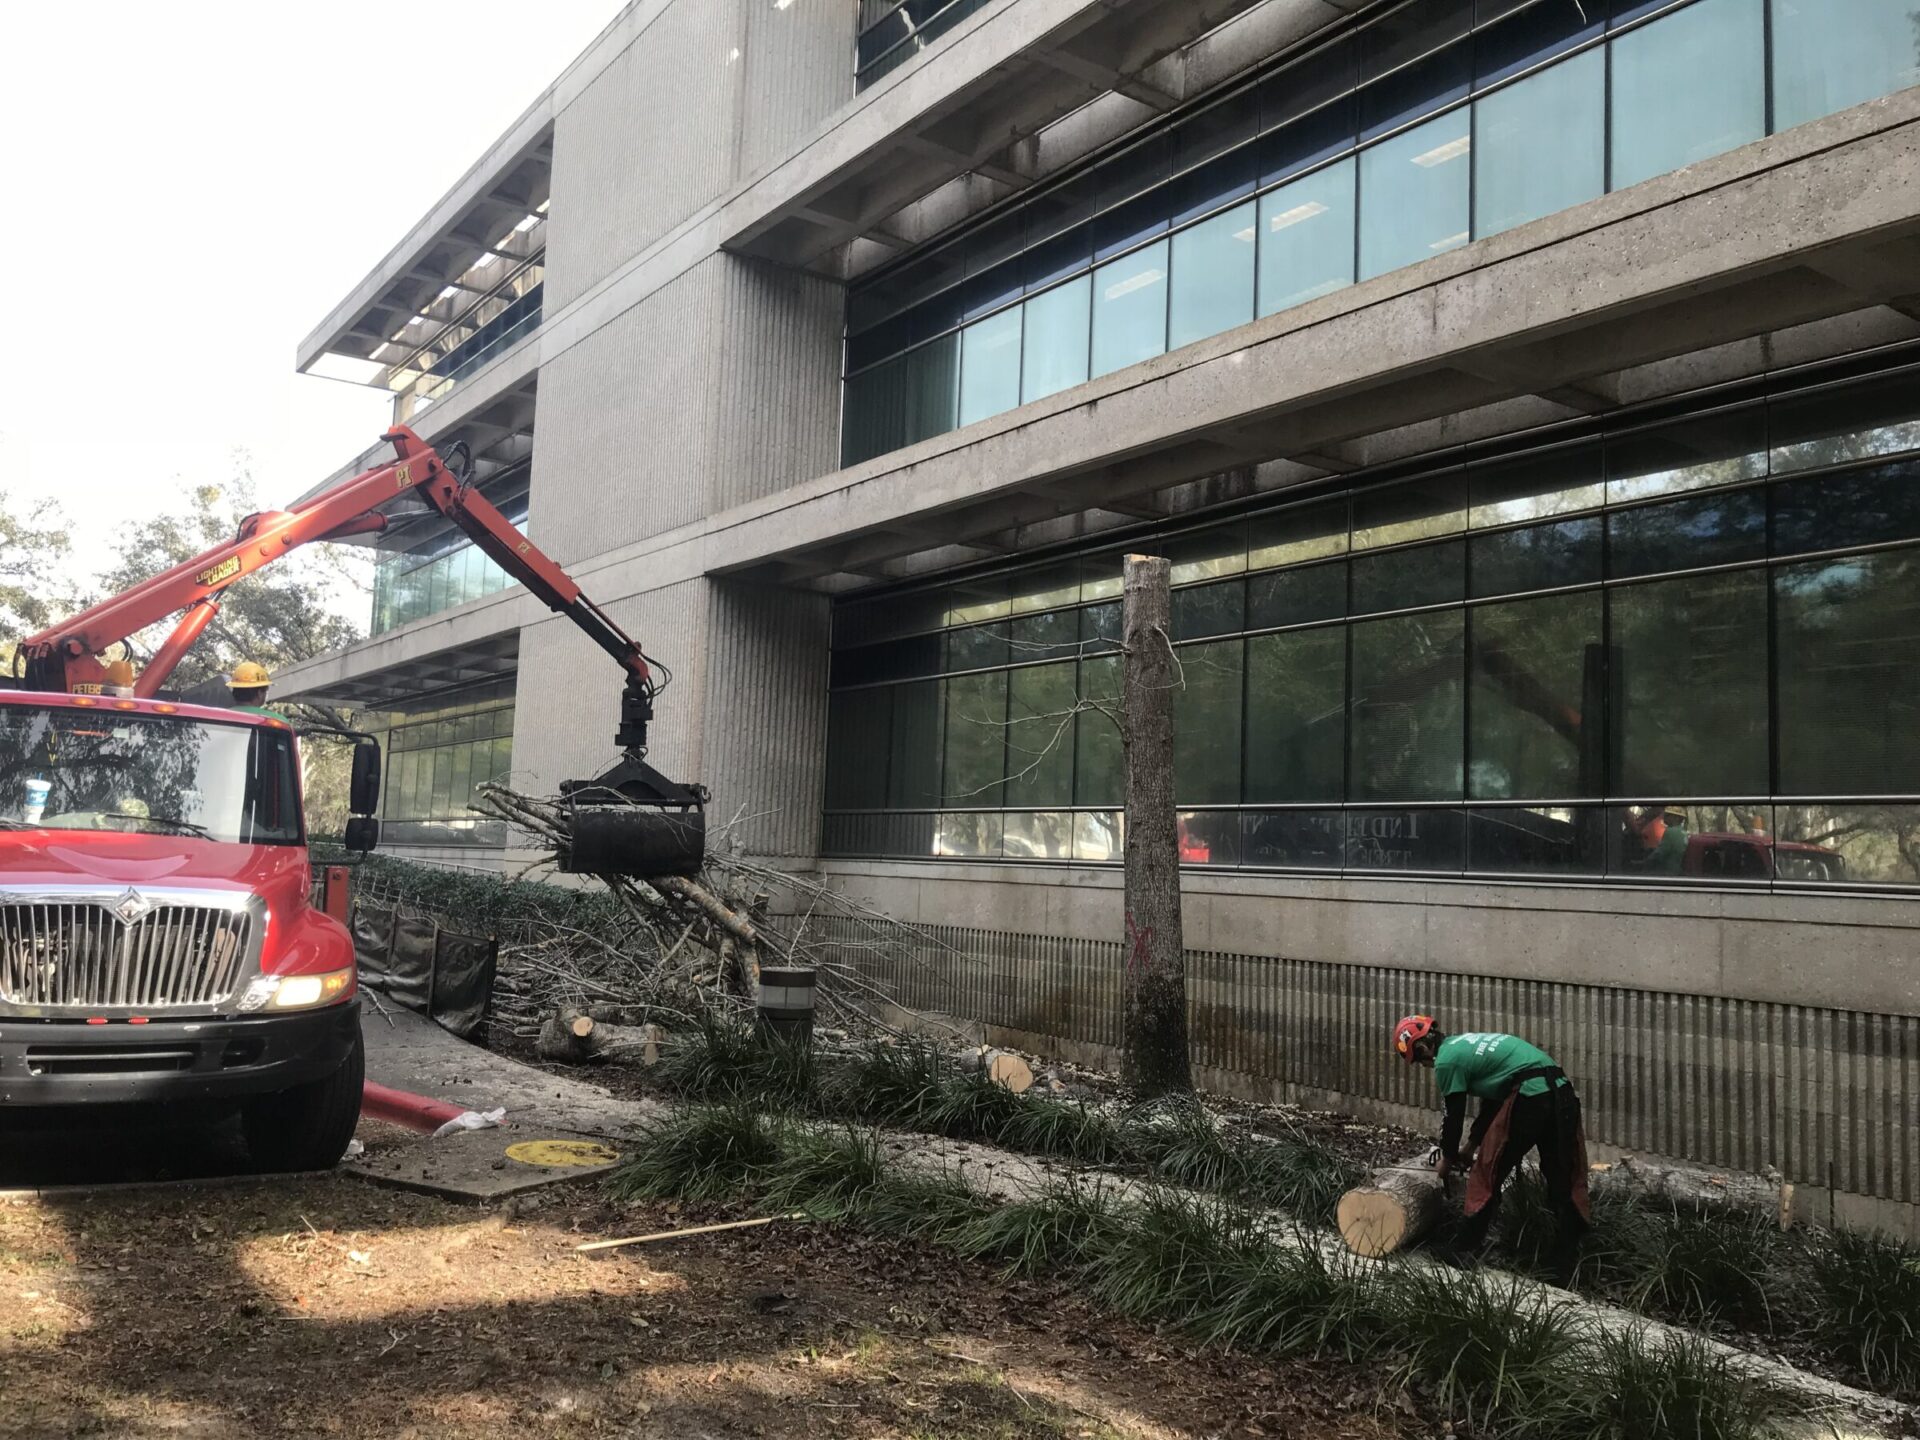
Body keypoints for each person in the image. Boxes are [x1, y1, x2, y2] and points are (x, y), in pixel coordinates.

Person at [1393, 1015, 1590, 1260]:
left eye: (1418, 1061)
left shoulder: (1445, 1061)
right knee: (1560, 1173)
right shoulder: (1466, 1045)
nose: (1423, 1066)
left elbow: (1452, 1116)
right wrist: (1470, 1147)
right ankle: (1566, 1259)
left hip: (1530, 1096)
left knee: (1487, 1171)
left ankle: (1464, 1251)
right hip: (1560, 1091)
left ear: (1422, 1048)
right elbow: (1493, 1105)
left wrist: (1448, 1157)